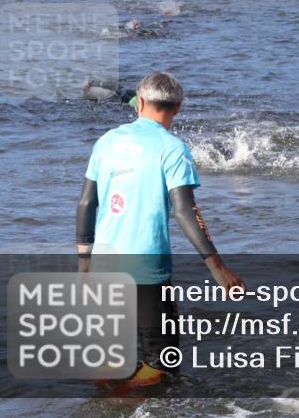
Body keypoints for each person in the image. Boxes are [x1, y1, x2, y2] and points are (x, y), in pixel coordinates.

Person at [77, 71, 244, 387]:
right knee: (161, 367)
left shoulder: (106, 141)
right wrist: (218, 269)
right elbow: (185, 211)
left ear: (139, 102)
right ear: (178, 108)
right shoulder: (173, 149)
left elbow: (86, 205)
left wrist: (84, 265)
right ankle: (126, 404)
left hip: (103, 265)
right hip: (146, 270)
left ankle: (106, 406)